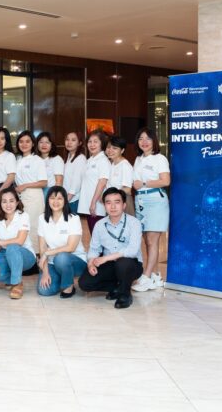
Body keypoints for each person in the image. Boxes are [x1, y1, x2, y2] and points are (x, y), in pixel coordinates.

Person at [78, 187, 143, 309]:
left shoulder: (134, 223)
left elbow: (132, 251)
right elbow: (94, 249)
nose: (112, 206)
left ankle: (125, 295)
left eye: (117, 202)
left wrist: (106, 258)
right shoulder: (99, 225)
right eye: (108, 203)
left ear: (124, 205)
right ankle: (117, 287)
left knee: (122, 264)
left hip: (131, 264)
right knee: (84, 283)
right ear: (104, 206)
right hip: (109, 264)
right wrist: (91, 264)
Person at [131, 128, 171, 292]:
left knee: (152, 240)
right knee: (147, 241)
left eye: (148, 138)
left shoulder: (159, 158)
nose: (144, 142)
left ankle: (146, 277)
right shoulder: (138, 159)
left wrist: (144, 184)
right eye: (141, 138)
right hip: (141, 201)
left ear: (154, 141)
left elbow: (165, 181)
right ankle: (155, 275)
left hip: (155, 200)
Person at [0, 188, 36, 299]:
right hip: (4, 253)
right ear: (0, 203)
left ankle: (16, 284)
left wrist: (0, 242)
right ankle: (16, 277)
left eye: (11, 201)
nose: (8, 205)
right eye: (4, 201)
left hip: (25, 254)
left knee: (12, 247)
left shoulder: (23, 216)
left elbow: (20, 240)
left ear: (17, 202)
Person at [37, 186, 86, 298]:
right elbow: (42, 248)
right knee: (44, 291)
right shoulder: (42, 218)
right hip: (52, 262)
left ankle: (68, 286)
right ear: (47, 200)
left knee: (62, 257)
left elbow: (70, 247)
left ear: (65, 201)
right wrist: (45, 272)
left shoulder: (73, 219)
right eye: (52, 198)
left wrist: (47, 253)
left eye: (59, 198)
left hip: (74, 261)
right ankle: (62, 277)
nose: (55, 202)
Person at [14, 130, 47, 253]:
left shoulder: (37, 160)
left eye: (27, 141)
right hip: (20, 196)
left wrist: (25, 185)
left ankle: (37, 255)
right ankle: (26, 255)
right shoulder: (17, 159)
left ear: (33, 144)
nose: (24, 144)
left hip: (34, 196)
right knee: (22, 226)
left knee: (33, 226)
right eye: (21, 141)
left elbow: (44, 182)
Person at [77, 130, 110, 243]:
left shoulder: (103, 160)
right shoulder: (89, 160)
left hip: (96, 205)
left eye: (96, 141)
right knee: (95, 236)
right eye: (90, 142)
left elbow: (102, 182)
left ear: (102, 143)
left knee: (99, 237)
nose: (92, 144)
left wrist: (93, 202)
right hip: (89, 203)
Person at [106, 136, 134, 216]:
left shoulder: (125, 165)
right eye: (108, 147)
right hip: (112, 201)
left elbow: (127, 189)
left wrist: (109, 195)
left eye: (114, 148)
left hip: (123, 201)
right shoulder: (112, 164)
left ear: (122, 150)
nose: (110, 150)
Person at [63, 131, 86, 213]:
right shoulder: (68, 157)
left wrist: (66, 200)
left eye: (73, 140)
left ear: (79, 143)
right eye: (67, 139)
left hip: (73, 200)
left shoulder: (80, 158)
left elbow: (76, 182)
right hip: (66, 197)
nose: (69, 142)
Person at [36, 131, 64, 199]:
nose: (44, 145)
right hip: (37, 192)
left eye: (47, 142)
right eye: (41, 142)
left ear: (52, 145)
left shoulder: (56, 159)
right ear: (37, 144)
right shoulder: (36, 159)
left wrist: (54, 198)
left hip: (50, 192)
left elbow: (59, 182)